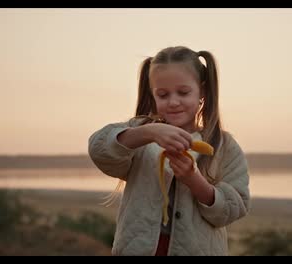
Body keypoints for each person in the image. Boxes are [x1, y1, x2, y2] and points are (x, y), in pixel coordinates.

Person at [88, 46, 250, 256]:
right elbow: (99, 150)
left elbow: (233, 209)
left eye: (183, 92)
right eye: (163, 95)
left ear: (202, 91)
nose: (173, 102)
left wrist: (194, 179)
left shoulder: (224, 146)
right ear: (152, 94)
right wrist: (147, 132)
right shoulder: (141, 132)